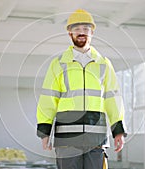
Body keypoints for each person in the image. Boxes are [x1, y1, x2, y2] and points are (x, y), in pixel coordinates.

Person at [36, 9, 127, 169]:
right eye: (77, 29)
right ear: (70, 33)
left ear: (92, 32)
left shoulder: (104, 64)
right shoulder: (58, 64)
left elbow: (113, 98)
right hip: (67, 140)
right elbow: (48, 99)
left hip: (96, 139)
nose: (81, 33)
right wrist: (45, 131)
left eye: (86, 29)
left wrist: (118, 129)